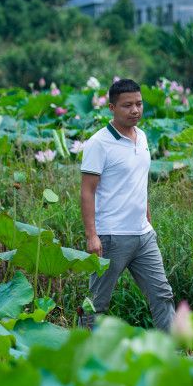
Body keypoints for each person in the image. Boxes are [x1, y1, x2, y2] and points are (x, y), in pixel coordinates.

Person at [79, 78, 175, 330]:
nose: (135, 110)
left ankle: (173, 348)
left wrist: (147, 217)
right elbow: (87, 192)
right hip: (111, 236)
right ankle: (81, 346)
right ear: (112, 108)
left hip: (143, 235)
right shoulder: (98, 143)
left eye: (139, 104)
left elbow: (138, 181)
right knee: (97, 302)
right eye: (127, 105)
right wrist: (92, 236)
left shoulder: (141, 137)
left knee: (162, 294)